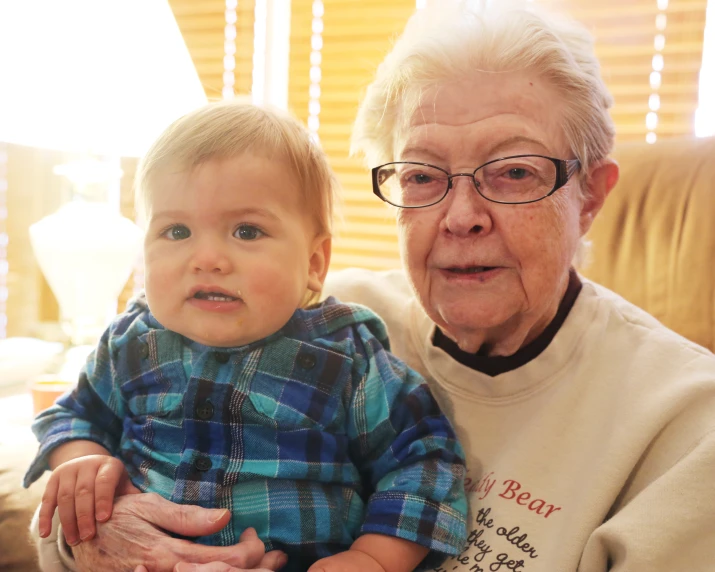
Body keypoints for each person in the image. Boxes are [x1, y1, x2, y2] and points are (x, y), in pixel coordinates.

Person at [31, 0, 715, 570]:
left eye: (512, 172)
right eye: (421, 175)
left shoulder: (683, 425)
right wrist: (104, 525)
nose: (461, 216)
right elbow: (68, 482)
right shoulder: (306, 314)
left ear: (589, 196)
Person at [24, 100, 468, 572]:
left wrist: (373, 559)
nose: (208, 258)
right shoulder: (131, 343)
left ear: (315, 264)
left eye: (246, 231)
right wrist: (83, 461)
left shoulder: (345, 357)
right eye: (177, 230)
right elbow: (74, 414)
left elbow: (424, 463)